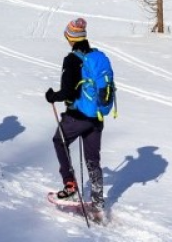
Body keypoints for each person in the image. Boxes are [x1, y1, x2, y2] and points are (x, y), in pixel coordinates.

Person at [45, 17, 106, 208]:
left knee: (59, 141)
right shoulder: (97, 57)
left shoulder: (72, 59)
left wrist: (52, 96)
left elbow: (68, 92)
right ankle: (97, 200)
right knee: (93, 159)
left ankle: (70, 186)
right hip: (97, 116)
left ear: (70, 37)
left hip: (78, 116)